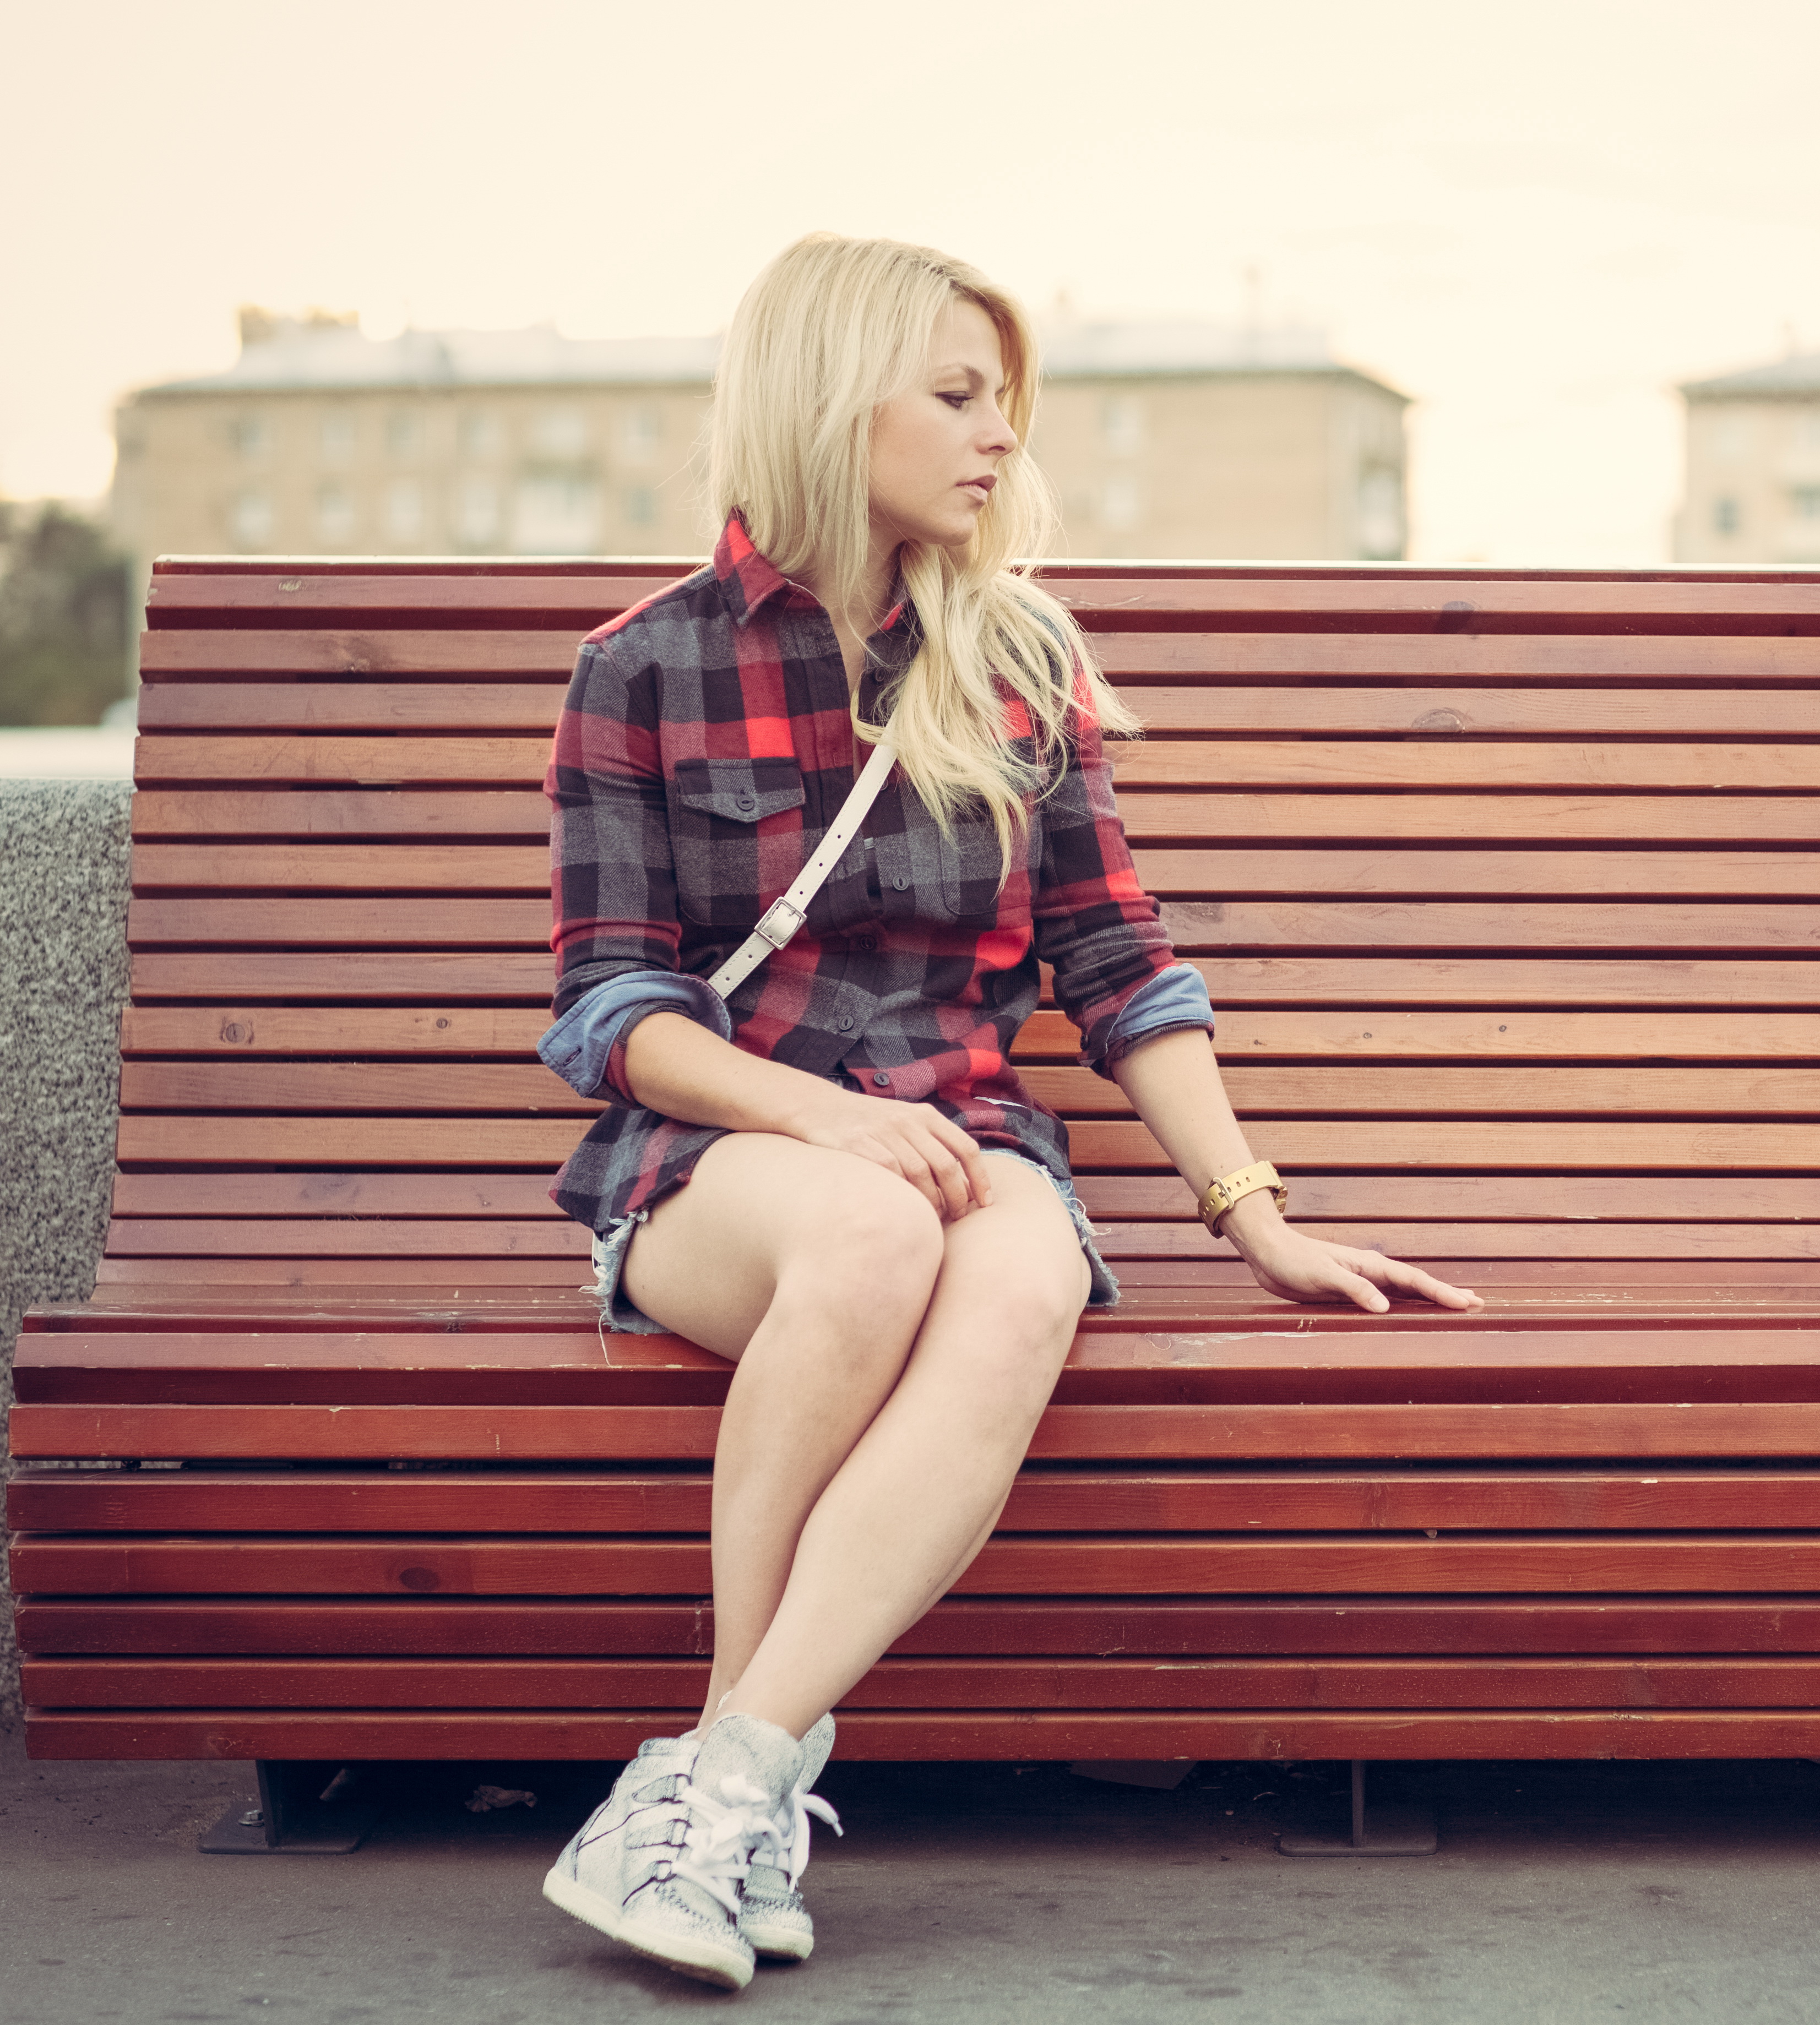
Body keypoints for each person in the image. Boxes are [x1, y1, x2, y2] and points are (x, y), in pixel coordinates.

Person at [532, 232, 1479, 1990]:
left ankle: (720, 1783)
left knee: (1021, 1273)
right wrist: (817, 1128)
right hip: (718, 1160)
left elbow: (1117, 958)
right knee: (880, 1224)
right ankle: (725, 1794)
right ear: (837, 401)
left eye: (1004, 406)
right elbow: (612, 1011)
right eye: (957, 398)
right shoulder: (641, 667)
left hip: (973, 1134)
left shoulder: (1019, 654)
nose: (997, 443)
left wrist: (1253, 1213)